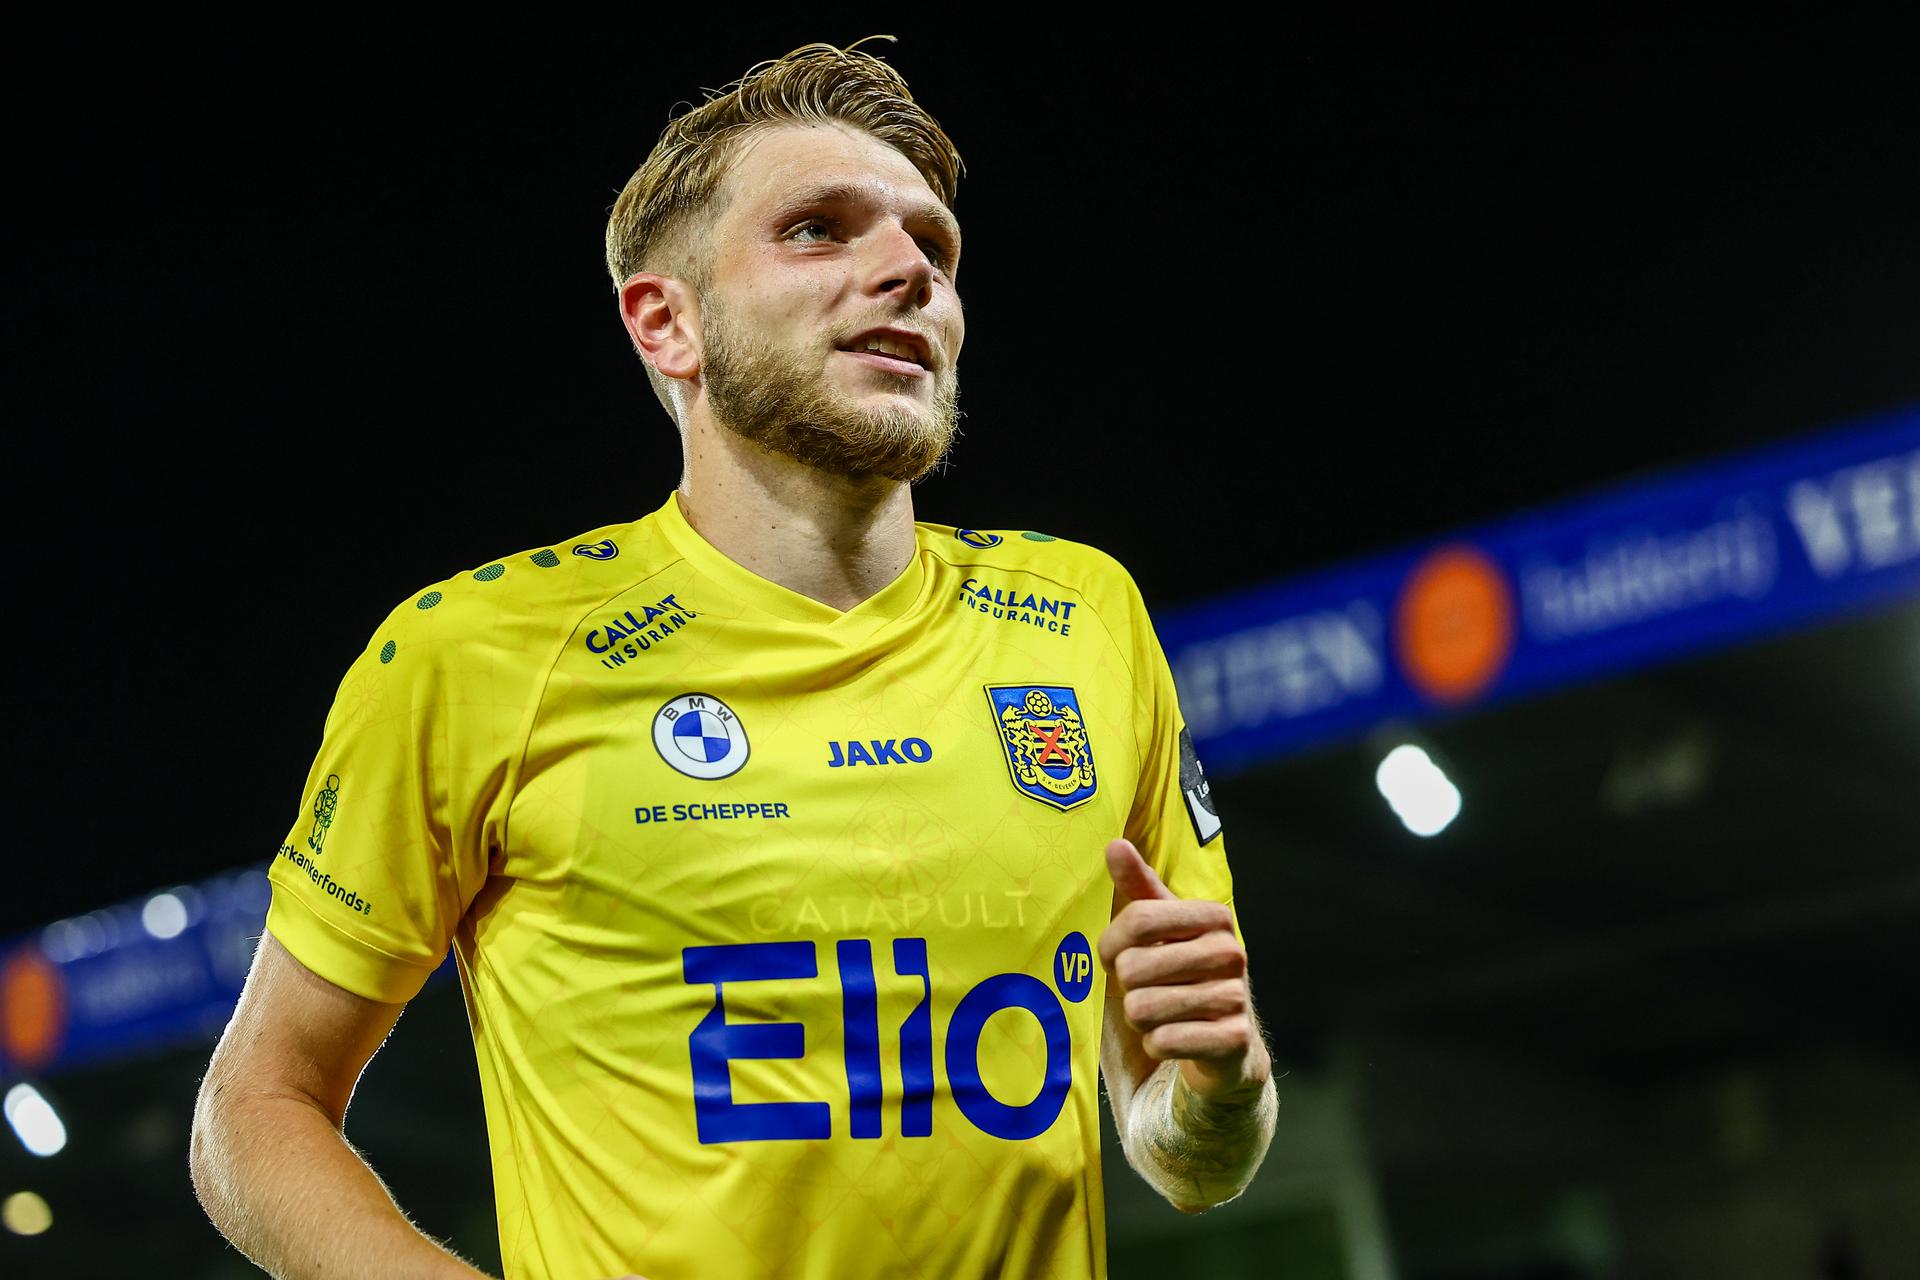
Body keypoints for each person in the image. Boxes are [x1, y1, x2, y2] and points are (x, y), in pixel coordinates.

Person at [189, 37, 1277, 1280]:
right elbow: (256, 1106)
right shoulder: (476, 652)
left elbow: (1181, 1149)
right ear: (669, 323)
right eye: (819, 229)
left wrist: (1222, 1095)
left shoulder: (1087, 617)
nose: (907, 270)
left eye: (934, 246)